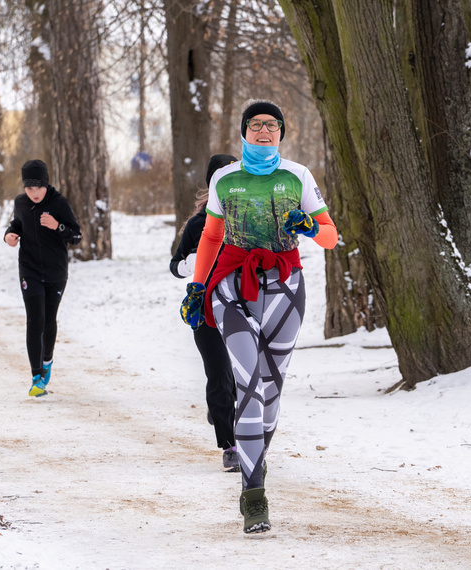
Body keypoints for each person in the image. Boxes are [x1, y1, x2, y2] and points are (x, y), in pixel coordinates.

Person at [180, 100, 338, 534]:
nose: (264, 131)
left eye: (272, 125)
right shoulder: (224, 178)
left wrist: (307, 225)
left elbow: (330, 236)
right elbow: (211, 235)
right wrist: (198, 286)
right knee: (247, 384)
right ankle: (254, 495)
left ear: (282, 133)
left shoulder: (299, 175)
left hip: (286, 287)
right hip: (231, 285)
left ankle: (255, 462)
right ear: (244, 133)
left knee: (269, 392)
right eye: (256, 125)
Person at [170, 154, 239, 473]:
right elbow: (175, 265)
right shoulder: (199, 224)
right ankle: (230, 445)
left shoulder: (249, 221)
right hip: (207, 312)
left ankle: (222, 412)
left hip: (242, 309)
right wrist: (192, 262)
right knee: (221, 378)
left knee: (241, 380)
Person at [4, 159, 81, 397]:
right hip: (30, 270)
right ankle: (36, 375)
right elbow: (18, 223)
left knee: (48, 320)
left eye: (37, 187)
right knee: (34, 319)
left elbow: (76, 235)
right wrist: (9, 234)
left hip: (56, 271)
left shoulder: (59, 203)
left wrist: (57, 226)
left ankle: (47, 361)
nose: (33, 192)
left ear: (46, 184)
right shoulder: (21, 203)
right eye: (28, 188)